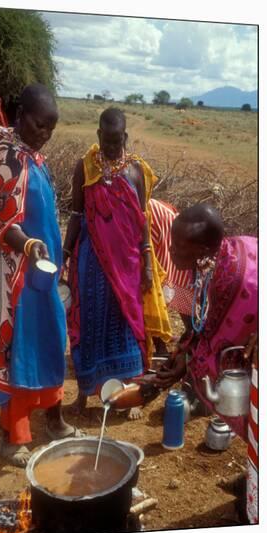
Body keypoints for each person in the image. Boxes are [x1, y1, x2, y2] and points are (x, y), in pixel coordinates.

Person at [0, 83, 81, 468]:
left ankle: (54, 420)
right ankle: (12, 438)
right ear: (19, 116)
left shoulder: (35, 157)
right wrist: (30, 246)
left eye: (51, 126)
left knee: (51, 343)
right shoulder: (7, 159)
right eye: (38, 124)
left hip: (42, 277)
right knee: (20, 354)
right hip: (16, 280)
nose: (45, 133)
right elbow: (4, 225)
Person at [151, 203, 257, 522]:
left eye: (176, 245)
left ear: (200, 247)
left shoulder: (246, 279)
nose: (169, 248)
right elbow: (202, 321)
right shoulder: (210, 261)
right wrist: (183, 357)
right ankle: (254, 475)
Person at [63, 107, 172, 414]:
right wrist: (66, 254)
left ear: (125, 137)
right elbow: (76, 214)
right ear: (98, 136)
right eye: (106, 141)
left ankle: (130, 393)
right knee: (88, 324)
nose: (112, 148)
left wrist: (149, 265)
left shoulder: (137, 172)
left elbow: (143, 222)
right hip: (91, 262)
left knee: (127, 324)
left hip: (128, 265)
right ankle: (84, 394)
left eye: (117, 141)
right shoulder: (84, 168)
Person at [150, 198, 194, 353]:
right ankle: (186, 339)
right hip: (163, 228)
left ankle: (189, 340)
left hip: (163, 229)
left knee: (158, 288)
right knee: (164, 287)